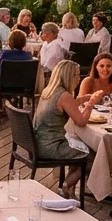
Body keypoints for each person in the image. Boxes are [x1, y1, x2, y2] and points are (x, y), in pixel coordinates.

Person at [34, 60, 104, 198]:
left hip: (39, 143)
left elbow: (67, 105)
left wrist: (82, 99)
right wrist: (90, 104)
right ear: (68, 76)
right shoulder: (65, 96)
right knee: (93, 153)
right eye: (76, 75)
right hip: (51, 147)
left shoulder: (49, 91)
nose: (78, 79)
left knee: (80, 146)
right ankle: (66, 185)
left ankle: (69, 187)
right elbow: (81, 121)